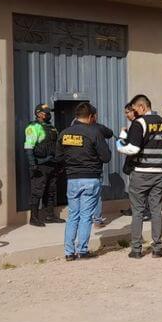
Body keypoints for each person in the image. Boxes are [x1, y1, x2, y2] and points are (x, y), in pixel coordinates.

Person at [116, 94, 162, 258]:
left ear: (142, 107)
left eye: (134, 109)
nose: (133, 112)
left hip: (141, 173)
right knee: (156, 210)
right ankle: (158, 248)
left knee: (138, 211)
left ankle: (136, 250)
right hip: (160, 172)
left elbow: (132, 149)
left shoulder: (140, 123)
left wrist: (120, 144)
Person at [55, 103, 111, 261]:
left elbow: (58, 157)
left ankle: (68, 252)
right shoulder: (94, 132)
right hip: (90, 179)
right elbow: (106, 157)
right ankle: (82, 251)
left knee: (73, 215)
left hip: (72, 179)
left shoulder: (64, 133)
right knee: (86, 216)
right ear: (91, 116)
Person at [24, 103, 64, 227]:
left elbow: (57, 146)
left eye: (49, 112)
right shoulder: (33, 127)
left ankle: (49, 216)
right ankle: (34, 218)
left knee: (51, 191)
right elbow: (28, 146)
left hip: (52, 164)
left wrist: (60, 162)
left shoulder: (52, 128)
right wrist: (32, 164)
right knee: (37, 192)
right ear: (38, 113)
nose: (49, 114)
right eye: (46, 112)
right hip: (40, 164)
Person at [119, 103, 150, 220]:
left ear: (134, 111)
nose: (126, 115)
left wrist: (122, 134)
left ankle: (143, 212)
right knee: (134, 190)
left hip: (137, 164)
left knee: (138, 191)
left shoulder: (137, 125)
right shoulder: (136, 124)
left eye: (127, 112)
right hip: (136, 164)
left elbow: (128, 146)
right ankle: (134, 209)